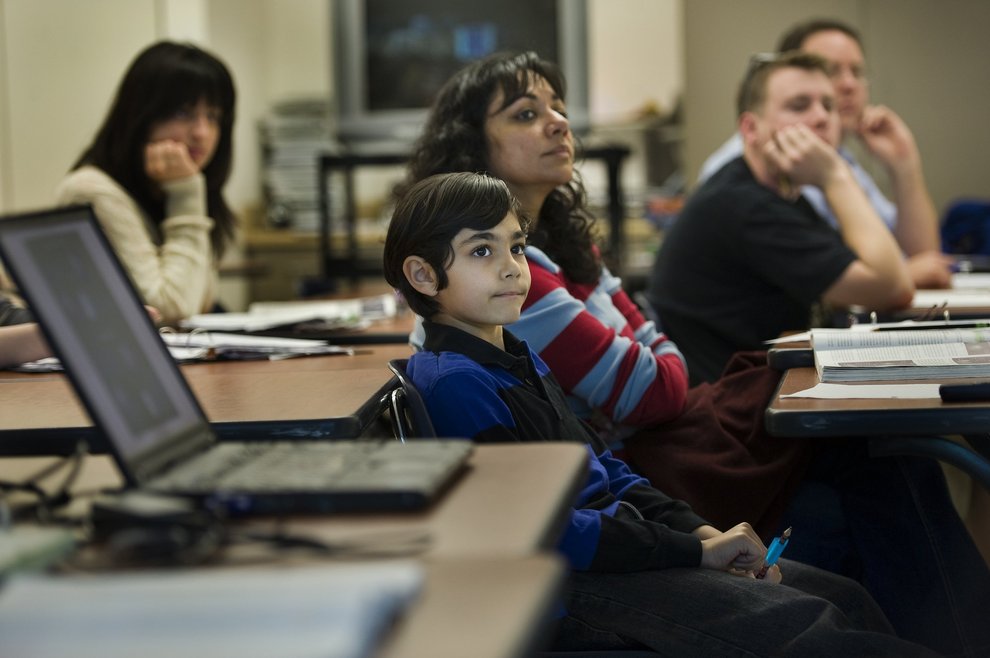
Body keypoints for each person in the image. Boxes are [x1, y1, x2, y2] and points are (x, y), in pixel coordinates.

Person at [398, 51, 990, 657]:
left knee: (853, 558)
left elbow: (632, 407)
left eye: (516, 247)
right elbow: (651, 392)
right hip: (603, 543)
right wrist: (691, 545)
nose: (557, 124)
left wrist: (693, 531)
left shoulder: (531, 309)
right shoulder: (493, 334)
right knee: (853, 529)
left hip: (633, 503)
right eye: (527, 113)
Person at [651, 51, 914, 384]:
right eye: (800, 105)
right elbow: (892, 287)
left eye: (828, 105)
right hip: (739, 421)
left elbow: (871, 277)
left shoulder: (782, 195)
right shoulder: (744, 205)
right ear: (750, 128)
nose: (822, 118)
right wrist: (835, 176)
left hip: (771, 398)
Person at [697, 18, 952, 290]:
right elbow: (883, 283)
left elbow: (923, 258)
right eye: (830, 70)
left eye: (856, 72)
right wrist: (900, 275)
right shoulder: (754, 170)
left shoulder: (837, 160)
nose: (848, 85)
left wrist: (904, 166)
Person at [54, 41, 237, 324]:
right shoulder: (89, 191)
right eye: (183, 113)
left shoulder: (168, 193)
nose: (202, 132)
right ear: (141, 116)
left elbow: (199, 306)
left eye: (213, 117)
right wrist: (187, 195)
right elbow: (170, 310)